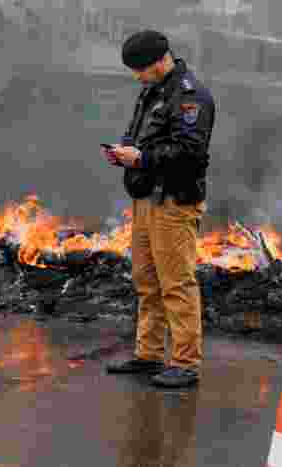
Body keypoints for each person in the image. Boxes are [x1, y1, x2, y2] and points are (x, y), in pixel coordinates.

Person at [103, 30, 215, 388]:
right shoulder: (152, 92)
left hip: (173, 202)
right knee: (146, 282)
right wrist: (125, 153)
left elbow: (191, 153)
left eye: (140, 69)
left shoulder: (190, 96)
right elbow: (139, 137)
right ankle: (148, 355)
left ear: (160, 60)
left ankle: (185, 363)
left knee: (176, 283)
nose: (137, 76)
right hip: (146, 199)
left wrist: (143, 158)